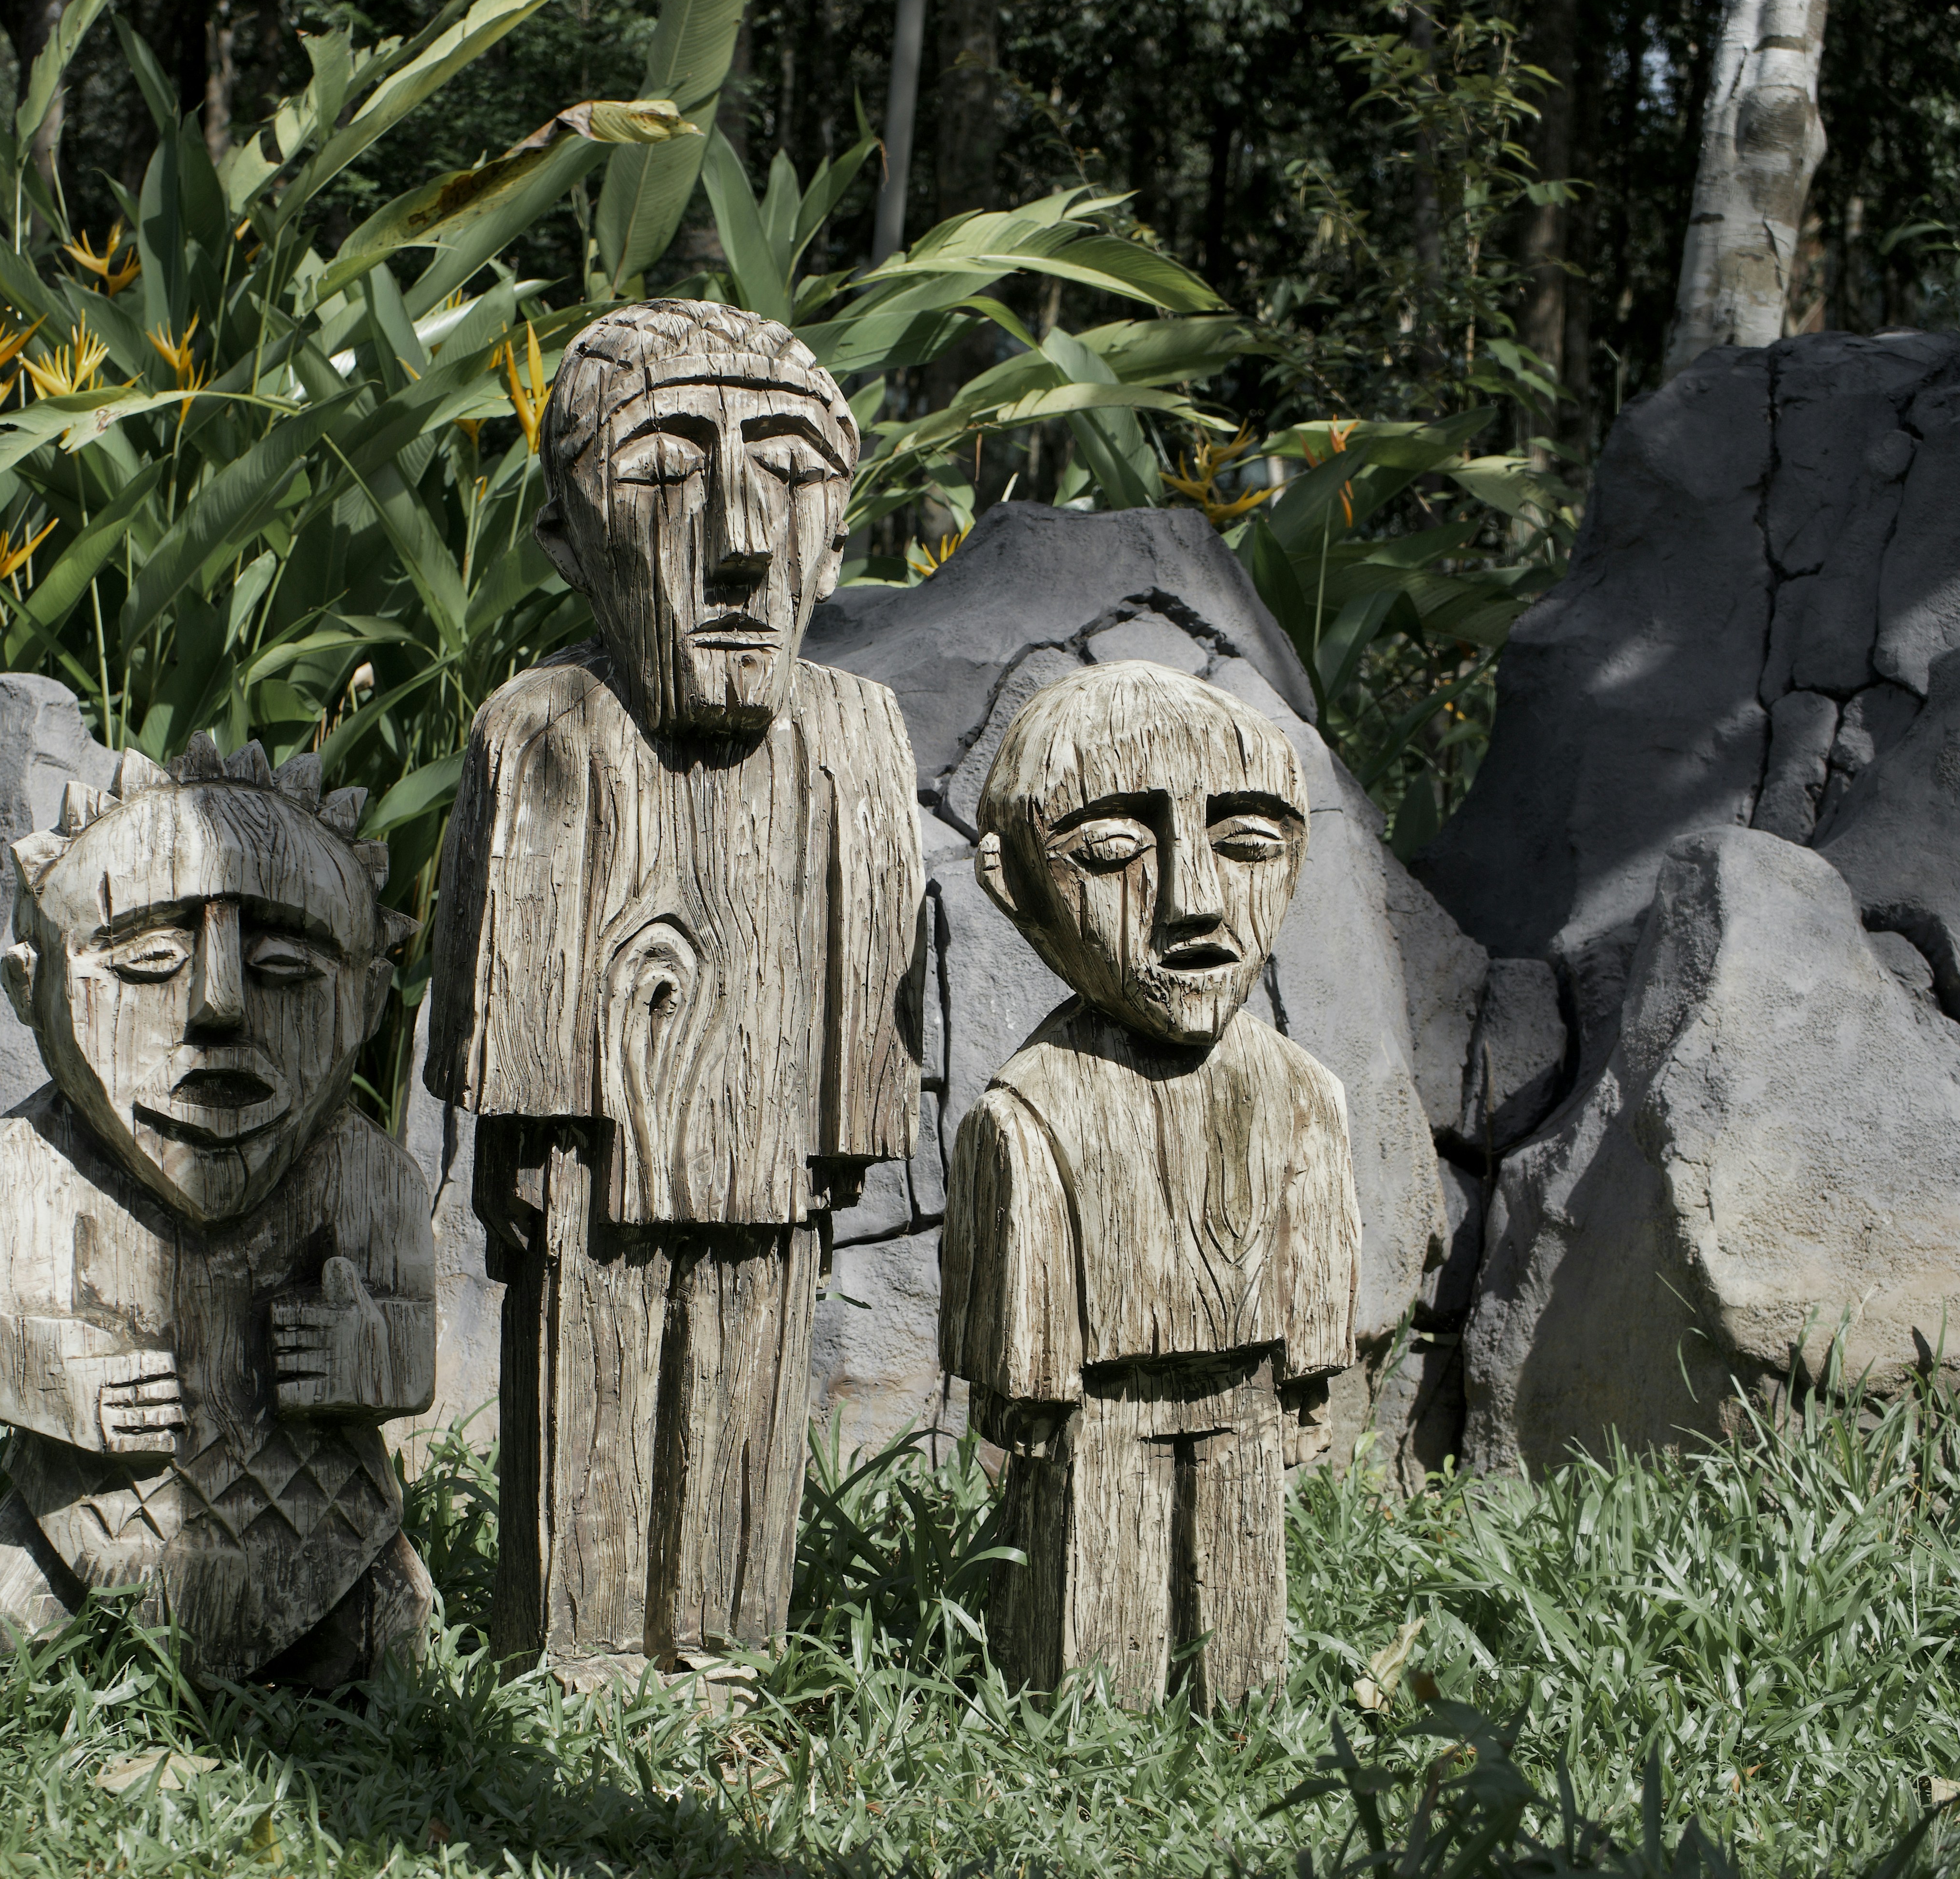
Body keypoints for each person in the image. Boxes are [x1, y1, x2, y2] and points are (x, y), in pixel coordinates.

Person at [424, 300, 923, 1684]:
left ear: (839, 530)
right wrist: (516, 1154)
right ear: (564, 532)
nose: (742, 532)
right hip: (592, 1163)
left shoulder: (857, 734)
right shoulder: (542, 728)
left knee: (747, 1407)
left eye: (790, 468)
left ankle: (722, 1644)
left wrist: (847, 1132)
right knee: (592, 1383)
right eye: (661, 467)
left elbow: (875, 971)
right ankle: (578, 1647)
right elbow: (501, 992)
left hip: (768, 1155)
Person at [0, 734, 436, 1688]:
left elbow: (408, 1356)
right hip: (81, 1519)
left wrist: (366, 1350)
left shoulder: (365, 1170)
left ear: (370, 998)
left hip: (322, 1532)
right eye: (149, 962)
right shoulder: (20, 1166)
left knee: (395, 1630)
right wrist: (65, 1381)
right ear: (29, 987)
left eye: (287, 969)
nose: (219, 1006)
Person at [938, 661, 1358, 1709]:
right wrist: (1022, 1382)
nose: (1194, 901)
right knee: (1096, 1595)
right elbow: (1022, 1256)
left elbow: (1317, 1243)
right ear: (1015, 881)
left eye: (1248, 843)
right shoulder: (1029, 1104)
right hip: (1100, 1409)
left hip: (1245, 1391)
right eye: (1116, 851)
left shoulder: (1300, 1088)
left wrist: (1309, 1365)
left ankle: (1242, 1707)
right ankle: (1092, 1713)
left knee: (1243, 1593)